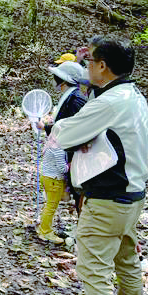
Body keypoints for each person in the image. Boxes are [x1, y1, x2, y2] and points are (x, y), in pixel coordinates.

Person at [51, 36, 148, 295]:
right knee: (126, 260)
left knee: (94, 268)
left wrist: (55, 124)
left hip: (108, 199)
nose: (87, 67)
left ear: (103, 66)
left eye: (90, 61)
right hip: (132, 196)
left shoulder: (110, 102)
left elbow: (66, 135)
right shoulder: (132, 96)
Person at [35, 60, 87, 243]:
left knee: (78, 195)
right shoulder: (71, 97)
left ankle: (83, 235)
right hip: (66, 155)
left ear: (64, 81)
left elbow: (74, 128)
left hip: (73, 155)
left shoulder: (76, 100)